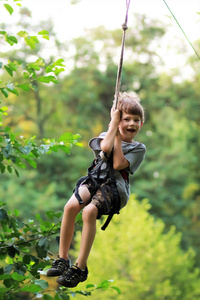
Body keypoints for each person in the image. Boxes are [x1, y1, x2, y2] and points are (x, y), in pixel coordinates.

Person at [47, 92, 146, 288]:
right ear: (118, 121)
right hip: (96, 180)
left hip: (115, 188)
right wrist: (113, 127)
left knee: (90, 211)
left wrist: (117, 134)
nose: (131, 124)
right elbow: (106, 147)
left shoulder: (139, 149)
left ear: (141, 124)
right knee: (70, 206)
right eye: (126, 119)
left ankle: (80, 267)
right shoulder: (105, 135)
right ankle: (63, 259)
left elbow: (118, 164)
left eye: (136, 120)